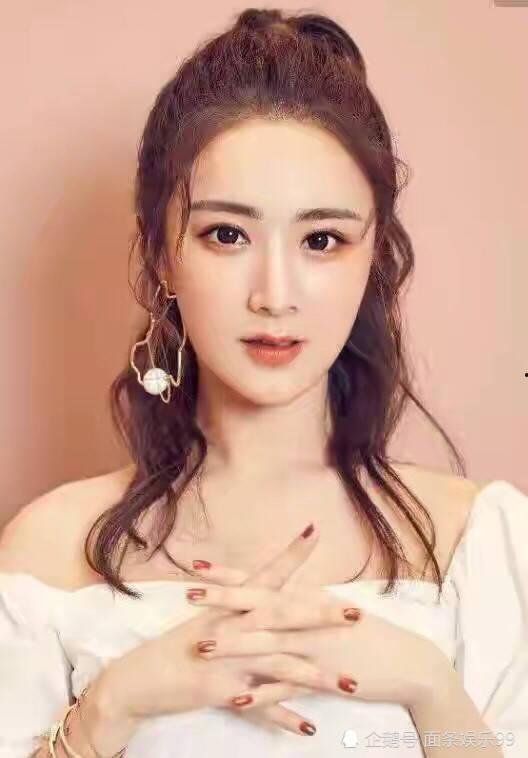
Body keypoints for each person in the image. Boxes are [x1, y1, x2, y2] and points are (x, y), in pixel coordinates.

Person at [0, 6, 526, 757]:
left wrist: (429, 688)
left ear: (372, 259)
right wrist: (111, 708)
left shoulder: (481, 544)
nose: (275, 294)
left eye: (322, 239)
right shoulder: (52, 553)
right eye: (227, 234)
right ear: (161, 257)